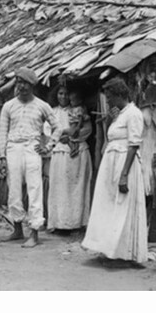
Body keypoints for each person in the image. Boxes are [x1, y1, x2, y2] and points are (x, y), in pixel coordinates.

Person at [81, 77, 147, 265]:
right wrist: (111, 118)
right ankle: (110, 250)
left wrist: (124, 174)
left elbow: (134, 145)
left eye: (110, 97)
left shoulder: (134, 113)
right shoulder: (121, 114)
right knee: (110, 208)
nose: (108, 101)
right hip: (112, 162)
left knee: (123, 209)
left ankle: (123, 254)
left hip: (123, 164)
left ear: (120, 95)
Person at [0, 67, 58, 248]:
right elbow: (3, 132)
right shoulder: (8, 106)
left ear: (32, 85)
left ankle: (34, 232)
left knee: (34, 189)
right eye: (19, 82)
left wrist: (48, 145)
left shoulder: (42, 105)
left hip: (32, 149)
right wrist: (2, 157)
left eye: (25, 83)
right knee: (14, 190)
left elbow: (58, 127)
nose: (21, 86)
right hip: (12, 148)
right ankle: (17, 230)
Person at [47, 85, 92, 232]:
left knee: (76, 188)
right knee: (60, 188)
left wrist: (74, 138)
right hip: (60, 152)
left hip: (77, 153)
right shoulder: (52, 112)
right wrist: (61, 138)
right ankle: (60, 223)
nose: (64, 97)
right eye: (60, 93)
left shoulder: (79, 111)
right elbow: (48, 132)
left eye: (67, 94)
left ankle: (76, 223)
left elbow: (87, 130)